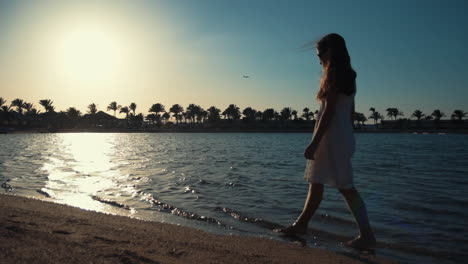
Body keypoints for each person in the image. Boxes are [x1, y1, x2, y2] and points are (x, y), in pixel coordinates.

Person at [275, 33, 376, 250]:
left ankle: (367, 235)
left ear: (331, 51)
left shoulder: (334, 73)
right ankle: (301, 225)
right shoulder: (349, 74)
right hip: (342, 135)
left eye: (320, 53)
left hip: (331, 137)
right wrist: (348, 135)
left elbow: (328, 113)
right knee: (317, 182)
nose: (318, 57)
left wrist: (314, 143)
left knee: (346, 188)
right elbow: (350, 111)